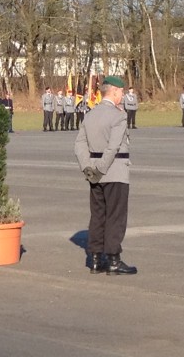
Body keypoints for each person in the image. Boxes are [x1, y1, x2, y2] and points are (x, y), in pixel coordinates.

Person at [74, 75, 137, 275]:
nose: (123, 96)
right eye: (122, 93)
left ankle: (94, 258)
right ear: (115, 92)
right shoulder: (119, 115)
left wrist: (88, 167)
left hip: (94, 173)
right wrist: (102, 167)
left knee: (98, 215)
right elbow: (114, 146)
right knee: (115, 216)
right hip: (114, 170)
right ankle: (113, 259)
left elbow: (79, 144)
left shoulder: (90, 114)